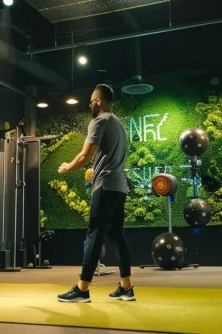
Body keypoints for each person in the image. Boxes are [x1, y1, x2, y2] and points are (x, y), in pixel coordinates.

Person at [56, 84, 134, 303]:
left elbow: (85, 156)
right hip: (119, 187)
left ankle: (82, 289)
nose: (90, 105)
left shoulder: (100, 121)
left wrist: (66, 167)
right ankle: (126, 288)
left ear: (98, 101)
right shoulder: (119, 125)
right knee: (117, 236)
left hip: (105, 186)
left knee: (94, 234)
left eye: (91, 101)